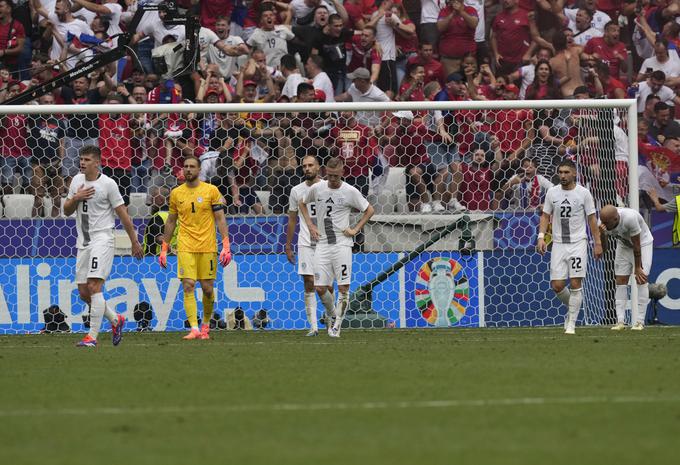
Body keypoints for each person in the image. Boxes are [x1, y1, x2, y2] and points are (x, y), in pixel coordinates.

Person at [63, 145, 143, 347]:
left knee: (94, 286)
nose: (82, 163)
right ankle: (116, 319)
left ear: (97, 162)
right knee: (84, 292)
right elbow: (65, 210)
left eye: (87, 160)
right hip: (83, 242)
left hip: (103, 239)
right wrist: (76, 197)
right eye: (81, 159)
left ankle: (92, 337)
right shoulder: (76, 181)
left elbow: (123, 214)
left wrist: (134, 241)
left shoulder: (108, 184)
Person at [298, 157, 375, 337]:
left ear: (342, 172)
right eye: (330, 176)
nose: (332, 179)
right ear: (325, 172)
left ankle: (336, 327)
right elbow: (302, 203)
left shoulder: (350, 191)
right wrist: (310, 225)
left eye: (335, 176)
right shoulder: (317, 188)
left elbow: (369, 210)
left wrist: (356, 228)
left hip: (342, 244)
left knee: (343, 288)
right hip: (323, 244)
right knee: (319, 287)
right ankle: (333, 315)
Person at [159, 156, 232, 340]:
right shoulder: (176, 193)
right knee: (188, 285)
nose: (188, 170)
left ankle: (205, 325)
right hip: (185, 246)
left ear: (199, 170)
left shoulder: (211, 190)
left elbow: (220, 218)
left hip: (207, 246)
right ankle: (194, 328)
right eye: (185, 167)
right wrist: (164, 248)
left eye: (192, 167)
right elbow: (171, 221)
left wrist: (226, 245)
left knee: (207, 289)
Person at [536, 159, 602, 335]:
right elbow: (545, 216)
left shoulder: (584, 193)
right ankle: (574, 307)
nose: (563, 176)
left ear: (574, 173)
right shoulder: (552, 192)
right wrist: (541, 237)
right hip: (558, 244)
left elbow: (592, 219)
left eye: (566, 172)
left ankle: (571, 323)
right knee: (557, 285)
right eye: (560, 172)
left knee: (575, 283)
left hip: (578, 243)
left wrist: (598, 243)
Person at [286, 155, 329, 336]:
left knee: (326, 285)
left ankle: (330, 318)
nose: (307, 168)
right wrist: (288, 245)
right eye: (304, 166)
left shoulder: (328, 187)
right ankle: (313, 326)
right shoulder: (296, 190)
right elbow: (292, 219)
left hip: (327, 241)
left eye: (311, 165)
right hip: (305, 242)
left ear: (318, 167)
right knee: (309, 282)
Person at [599, 205, 654, 331]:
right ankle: (620, 322)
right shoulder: (603, 223)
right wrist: (602, 234)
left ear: (616, 218)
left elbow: (637, 245)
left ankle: (640, 322)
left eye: (606, 223)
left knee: (641, 279)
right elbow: (605, 249)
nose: (604, 224)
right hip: (623, 245)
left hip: (643, 244)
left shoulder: (630, 218)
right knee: (620, 281)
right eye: (602, 221)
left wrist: (638, 267)